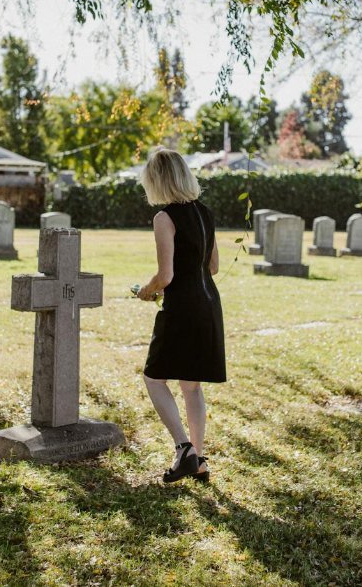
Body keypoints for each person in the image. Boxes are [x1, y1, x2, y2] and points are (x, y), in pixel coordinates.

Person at [136, 148, 226, 483]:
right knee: (191, 385)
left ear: (158, 181)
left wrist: (148, 290)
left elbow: (166, 276)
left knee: (154, 377)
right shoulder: (206, 214)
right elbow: (213, 267)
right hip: (208, 305)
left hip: (183, 307)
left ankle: (183, 448)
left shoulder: (164, 218)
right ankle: (199, 461)